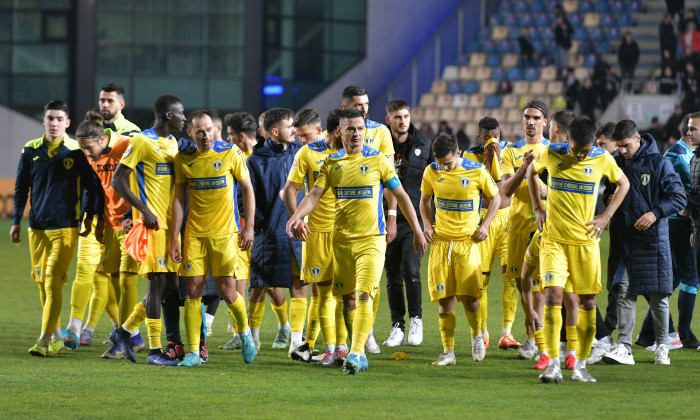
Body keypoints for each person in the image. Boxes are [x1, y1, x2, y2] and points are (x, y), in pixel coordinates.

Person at [286, 108, 427, 375]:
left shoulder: (379, 160)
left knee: (364, 295)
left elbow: (402, 196)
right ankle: (352, 348)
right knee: (347, 300)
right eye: (350, 129)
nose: (356, 133)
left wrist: (418, 231)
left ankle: (356, 352)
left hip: (371, 240)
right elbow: (314, 195)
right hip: (341, 242)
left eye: (360, 128)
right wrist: (296, 216)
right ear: (339, 131)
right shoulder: (332, 163)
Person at [528, 118, 630, 383]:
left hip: (585, 243)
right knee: (553, 298)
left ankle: (581, 367)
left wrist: (606, 216)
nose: (581, 154)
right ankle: (553, 365)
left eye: (585, 150)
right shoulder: (551, 153)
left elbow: (624, 185)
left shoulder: (601, 158)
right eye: (577, 149)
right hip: (554, 241)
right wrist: (538, 208)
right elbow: (530, 172)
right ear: (567, 139)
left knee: (587, 303)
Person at [12, 100, 104, 357]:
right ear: (44, 121)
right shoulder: (30, 150)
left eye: (59, 119)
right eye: (50, 118)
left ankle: (43, 340)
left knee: (52, 283)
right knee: (42, 285)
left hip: (64, 229)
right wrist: (17, 220)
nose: (54, 123)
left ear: (67, 123)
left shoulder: (76, 151)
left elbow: (92, 185)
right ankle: (56, 336)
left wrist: (89, 217)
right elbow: (21, 190)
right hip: (36, 229)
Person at [168, 110, 256, 367]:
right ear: (190, 133)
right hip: (194, 234)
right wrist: (175, 236)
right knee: (192, 293)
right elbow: (178, 199)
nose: (205, 135)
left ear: (215, 129)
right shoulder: (183, 159)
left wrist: (248, 226)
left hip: (226, 234)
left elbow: (248, 189)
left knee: (228, 292)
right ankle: (194, 352)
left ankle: (245, 334)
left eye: (209, 130)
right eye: (199, 131)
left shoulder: (230, 152)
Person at [109, 94, 187, 365]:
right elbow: (118, 181)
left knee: (172, 285)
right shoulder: (141, 140)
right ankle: (155, 352)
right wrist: (143, 211)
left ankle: (124, 331)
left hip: (170, 228)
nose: (184, 118)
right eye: (181, 113)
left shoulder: (173, 142)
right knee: (157, 284)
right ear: (168, 115)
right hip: (151, 226)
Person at [602, 120, 686, 367]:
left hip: (652, 240)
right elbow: (611, 192)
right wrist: (609, 199)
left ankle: (662, 345)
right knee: (624, 293)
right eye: (619, 147)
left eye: (626, 145)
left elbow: (678, 196)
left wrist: (655, 212)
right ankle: (625, 347)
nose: (623, 151)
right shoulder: (617, 163)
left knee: (658, 296)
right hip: (624, 239)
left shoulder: (659, 164)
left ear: (638, 139)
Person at [68, 82, 142, 350]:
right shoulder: (91, 149)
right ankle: (130, 335)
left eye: (110, 100)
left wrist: (138, 212)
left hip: (131, 222)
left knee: (127, 279)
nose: (86, 155)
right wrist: (92, 217)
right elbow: (94, 186)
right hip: (107, 221)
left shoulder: (130, 140)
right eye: (102, 99)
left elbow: (145, 177)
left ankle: (123, 336)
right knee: (106, 277)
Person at [421, 134, 501, 366]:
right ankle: (448, 352)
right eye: (440, 163)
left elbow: (495, 199)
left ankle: (477, 336)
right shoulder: (432, 171)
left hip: (468, 243)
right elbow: (424, 201)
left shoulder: (476, 171)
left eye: (448, 163)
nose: (443, 167)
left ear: (458, 153)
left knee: (468, 297)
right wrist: (427, 224)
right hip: (441, 243)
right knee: (444, 298)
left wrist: (485, 225)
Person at [339, 85, 396, 353]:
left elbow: (391, 182)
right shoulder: (338, 137)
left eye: (366, 103)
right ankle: (339, 343)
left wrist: (391, 216)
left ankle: (366, 336)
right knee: (342, 292)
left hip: (372, 223)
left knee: (368, 284)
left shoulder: (381, 133)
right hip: (340, 227)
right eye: (357, 104)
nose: (363, 108)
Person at [285, 109, 344, 364]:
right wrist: (296, 218)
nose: (301, 140)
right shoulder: (307, 153)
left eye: (304, 135)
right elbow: (290, 190)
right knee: (321, 293)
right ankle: (320, 346)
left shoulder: (354, 153)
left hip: (347, 231)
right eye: (298, 136)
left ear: (321, 129)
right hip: (317, 231)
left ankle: (325, 345)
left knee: (343, 294)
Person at [247, 108, 304, 353]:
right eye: (290, 126)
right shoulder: (255, 160)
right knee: (260, 286)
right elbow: (246, 198)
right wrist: (262, 225)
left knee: (299, 286)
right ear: (274, 131)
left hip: (298, 232)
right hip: (268, 234)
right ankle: (253, 337)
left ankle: (296, 342)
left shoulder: (302, 153)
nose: (294, 130)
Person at [498, 100, 551, 350]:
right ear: (522, 120)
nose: (531, 122)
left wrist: (543, 190)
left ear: (545, 122)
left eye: (536, 118)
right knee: (522, 282)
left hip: (543, 225)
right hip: (517, 225)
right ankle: (534, 333)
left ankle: (533, 339)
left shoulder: (554, 150)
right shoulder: (511, 151)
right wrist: (524, 168)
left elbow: (555, 192)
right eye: (527, 117)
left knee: (538, 283)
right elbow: (506, 191)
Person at [382, 99, 433, 347]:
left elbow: (435, 179)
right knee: (392, 274)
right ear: (388, 119)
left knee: (411, 270)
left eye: (405, 116)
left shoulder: (423, 144)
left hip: (412, 219)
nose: (402, 121)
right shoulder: (381, 145)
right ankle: (397, 327)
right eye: (397, 117)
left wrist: (427, 222)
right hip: (385, 219)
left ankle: (416, 320)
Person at [462, 117, 511, 351]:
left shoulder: (509, 151)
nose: (493, 141)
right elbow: (488, 191)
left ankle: (507, 333)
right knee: (481, 281)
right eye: (488, 137)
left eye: (496, 136)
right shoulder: (469, 157)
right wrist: (491, 159)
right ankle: (482, 332)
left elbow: (502, 189)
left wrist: (498, 158)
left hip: (507, 221)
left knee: (511, 277)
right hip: (482, 221)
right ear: (478, 135)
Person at [219, 111, 259, 351]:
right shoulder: (263, 154)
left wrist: (249, 225)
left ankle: (244, 334)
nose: (227, 138)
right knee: (261, 286)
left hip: (243, 227)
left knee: (239, 285)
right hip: (255, 227)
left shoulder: (241, 158)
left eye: (230, 134)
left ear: (241, 136)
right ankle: (282, 330)